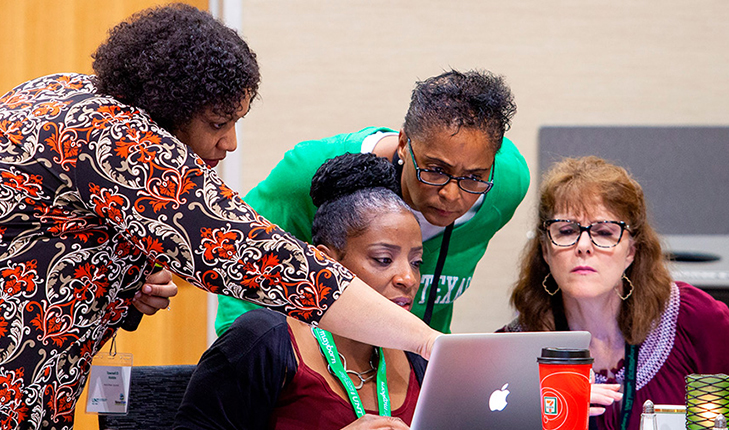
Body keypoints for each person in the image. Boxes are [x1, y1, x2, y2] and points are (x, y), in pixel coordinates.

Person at [0, 5, 437, 429]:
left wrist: (116, 283)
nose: (228, 143)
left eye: (236, 122)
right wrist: (425, 341)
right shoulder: (116, 136)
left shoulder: (61, 91)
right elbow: (252, 254)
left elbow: (45, 234)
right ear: (165, 106)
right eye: (216, 123)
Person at [216, 69, 531, 335]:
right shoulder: (309, 172)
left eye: (474, 176)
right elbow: (242, 259)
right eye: (435, 170)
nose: (452, 194)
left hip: (416, 372)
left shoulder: (506, 186)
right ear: (404, 143)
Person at [175, 153, 427, 429]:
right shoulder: (263, 341)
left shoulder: (418, 358)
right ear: (328, 264)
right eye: (383, 259)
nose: (408, 278)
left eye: (416, 263)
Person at [501, 156, 729, 430]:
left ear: (631, 252)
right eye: (566, 230)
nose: (584, 246)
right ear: (546, 251)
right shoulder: (509, 352)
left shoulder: (695, 320)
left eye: (604, 232)